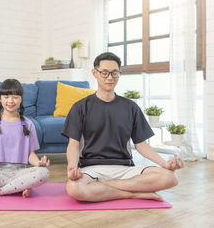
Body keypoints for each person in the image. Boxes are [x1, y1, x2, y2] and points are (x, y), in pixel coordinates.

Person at [63, 52, 183, 202]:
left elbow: (141, 145)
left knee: (170, 177)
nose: (110, 78)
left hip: (125, 169)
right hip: (91, 168)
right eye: (104, 73)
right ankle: (132, 193)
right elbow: (73, 145)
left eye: (115, 73)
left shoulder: (131, 107)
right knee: (73, 188)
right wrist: (72, 168)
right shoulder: (80, 108)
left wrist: (165, 164)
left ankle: (105, 186)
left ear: (119, 73)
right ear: (94, 73)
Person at [0, 79, 50, 197]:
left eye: (15, 97)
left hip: (20, 172)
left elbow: (30, 155)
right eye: (6, 97)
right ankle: (19, 186)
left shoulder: (29, 125)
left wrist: (39, 163)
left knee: (44, 173)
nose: (11, 101)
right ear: (0, 98)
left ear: (21, 99)